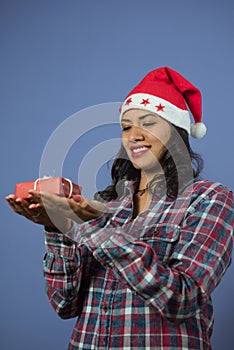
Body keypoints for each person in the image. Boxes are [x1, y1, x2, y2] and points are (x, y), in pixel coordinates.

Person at [6, 66, 234, 350]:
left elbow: (181, 299)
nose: (134, 135)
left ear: (177, 132)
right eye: (126, 127)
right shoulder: (106, 204)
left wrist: (99, 226)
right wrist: (58, 227)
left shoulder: (211, 199)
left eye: (148, 123)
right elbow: (65, 304)